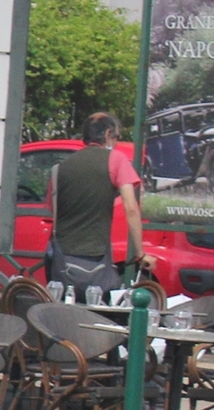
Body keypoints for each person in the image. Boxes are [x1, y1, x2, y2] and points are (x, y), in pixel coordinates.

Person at [45, 111, 142, 295]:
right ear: (107, 134)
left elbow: (53, 209)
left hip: (62, 259)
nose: (116, 143)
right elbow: (131, 208)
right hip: (96, 258)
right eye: (116, 138)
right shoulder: (116, 160)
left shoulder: (59, 169)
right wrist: (140, 253)